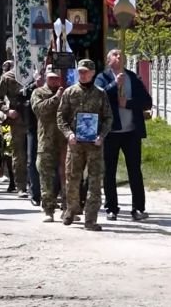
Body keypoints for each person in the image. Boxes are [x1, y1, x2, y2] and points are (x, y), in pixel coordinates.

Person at [95, 49, 152, 221]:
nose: (119, 57)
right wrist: (114, 85)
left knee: (135, 171)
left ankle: (138, 208)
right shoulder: (102, 77)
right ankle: (112, 208)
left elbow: (147, 102)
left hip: (131, 132)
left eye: (121, 55)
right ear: (108, 59)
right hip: (111, 132)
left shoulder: (132, 77)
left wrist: (127, 103)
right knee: (109, 172)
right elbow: (98, 97)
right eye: (115, 55)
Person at [57, 59, 113, 231]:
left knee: (95, 182)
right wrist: (69, 134)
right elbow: (61, 117)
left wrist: (101, 136)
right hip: (75, 144)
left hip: (94, 145)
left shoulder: (100, 93)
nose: (83, 74)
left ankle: (91, 219)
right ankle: (71, 210)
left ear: (93, 73)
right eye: (80, 71)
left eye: (86, 71)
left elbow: (108, 118)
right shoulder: (70, 92)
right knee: (72, 179)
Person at [31, 66, 66, 221]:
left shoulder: (67, 92)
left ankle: (68, 209)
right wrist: (56, 98)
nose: (54, 80)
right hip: (46, 141)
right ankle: (48, 210)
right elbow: (39, 109)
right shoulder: (38, 93)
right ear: (46, 77)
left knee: (67, 176)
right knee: (46, 176)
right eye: (51, 77)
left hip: (64, 141)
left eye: (56, 78)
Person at [0, 59, 29, 198]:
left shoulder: (37, 75)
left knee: (36, 154)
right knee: (19, 155)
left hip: (35, 120)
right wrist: (7, 111)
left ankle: (36, 186)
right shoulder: (8, 77)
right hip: (17, 120)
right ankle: (21, 186)